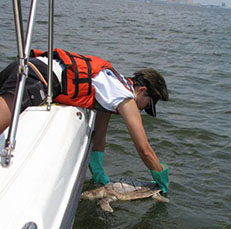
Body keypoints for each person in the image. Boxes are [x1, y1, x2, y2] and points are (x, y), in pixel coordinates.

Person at [0, 48, 169, 192]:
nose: (142, 109)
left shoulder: (114, 88)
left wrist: (98, 172)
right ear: (142, 90)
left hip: (29, 66)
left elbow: (100, 135)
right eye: (147, 104)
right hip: (38, 77)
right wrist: (160, 176)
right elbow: (144, 149)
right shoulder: (125, 98)